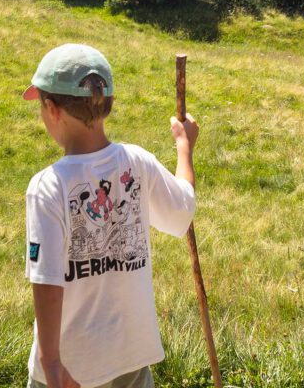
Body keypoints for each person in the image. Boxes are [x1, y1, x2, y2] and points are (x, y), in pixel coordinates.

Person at [23, 43, 198, 388]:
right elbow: (181, 214)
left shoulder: (47, 187)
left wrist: (51, 361)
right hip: (129, 359)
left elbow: (48, 284)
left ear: (51, 108)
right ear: (107, 104)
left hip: (70, 368)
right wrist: (184, 148)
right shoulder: (137, 162)